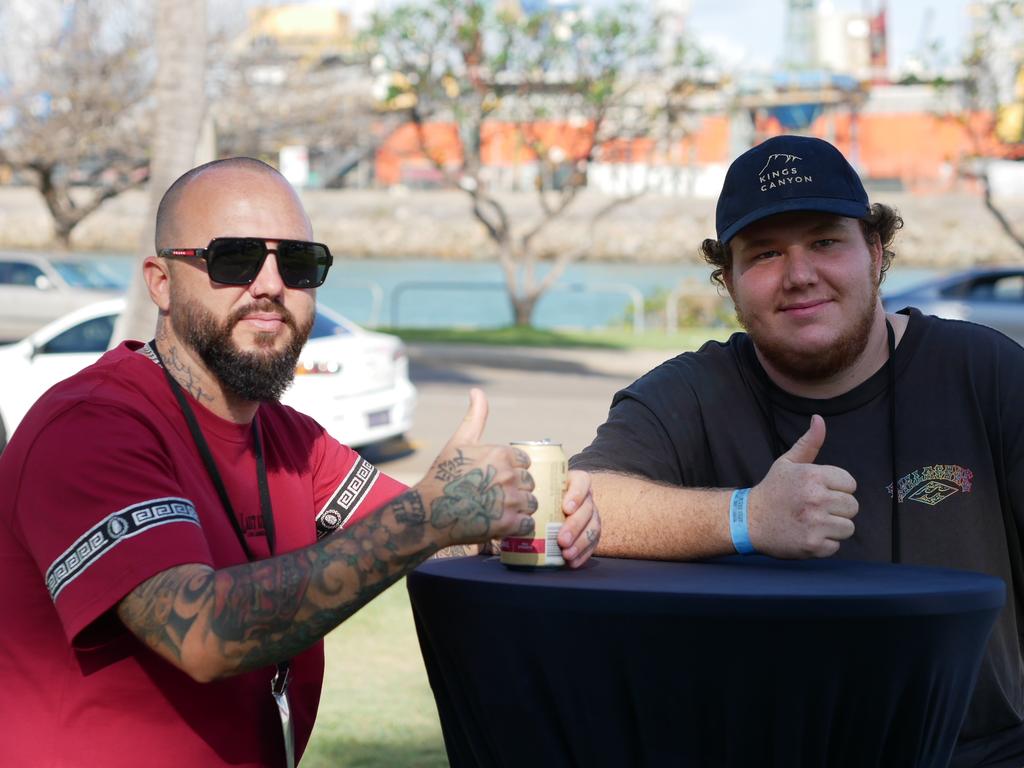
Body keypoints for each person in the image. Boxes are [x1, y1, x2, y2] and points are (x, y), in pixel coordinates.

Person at [0, 157, 601, 768]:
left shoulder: (292, 441)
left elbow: (428, 535)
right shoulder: (90, 424)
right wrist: (431, 515)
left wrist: (530, 518)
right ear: (160, 281)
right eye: (233, 259)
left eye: (298, 263)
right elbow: (200, 633)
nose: (269, 285)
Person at [571, 134, 1024, 766]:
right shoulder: (691, 393)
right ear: (728, 280)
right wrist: (746, 518)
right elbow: (579, 504)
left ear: (875, 250)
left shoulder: (986, 372)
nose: (799, 274)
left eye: (825, 241)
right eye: (764, 254)